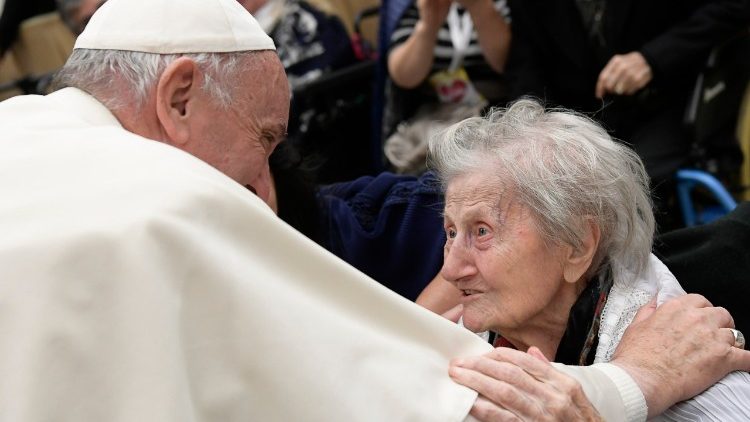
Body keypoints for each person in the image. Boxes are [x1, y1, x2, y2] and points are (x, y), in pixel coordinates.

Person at [0, 0, 747, 421]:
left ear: (581, 247)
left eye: (478, 233)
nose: (265, 190)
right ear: (181, 98)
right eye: (264, 140)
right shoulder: (160, 204)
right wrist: (633, 383)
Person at [426, 98, 750, 419]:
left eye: (482, 232)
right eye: (451, 232)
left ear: (578, 246)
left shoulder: (686, 362)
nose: (452, 271)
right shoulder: (464, 336)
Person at [503, 0, 750, 228]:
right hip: (580, 118)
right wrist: (530, 128)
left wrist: (652, 59)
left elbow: (734, 6)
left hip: (669, 102)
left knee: (626, 195)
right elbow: (525, 65)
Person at [383, 0, 511, 173]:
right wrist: (429, 24)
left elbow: (510, 64)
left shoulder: (504, 5)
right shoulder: (414, 6)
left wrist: (479, 8)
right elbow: (404, 77)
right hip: (435, 117)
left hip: (497, 114)